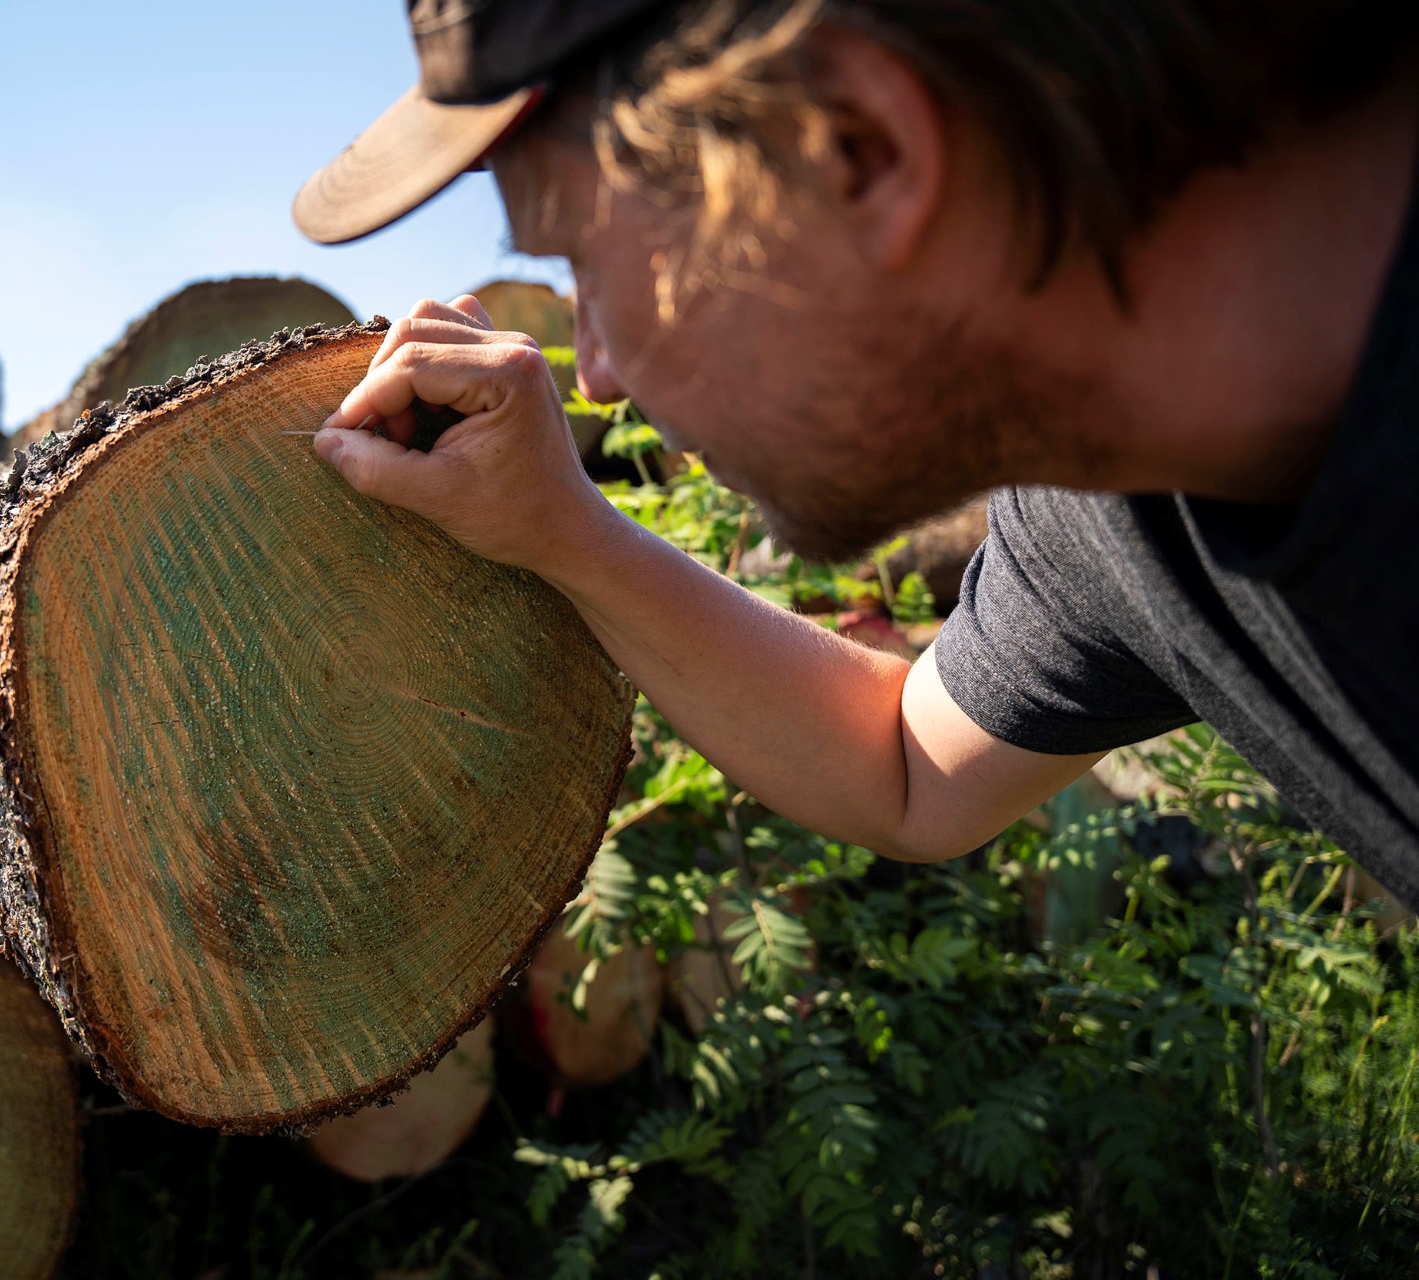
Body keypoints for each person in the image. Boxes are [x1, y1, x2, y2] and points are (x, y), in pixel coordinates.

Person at [290, 0, 1419, 904]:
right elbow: (908, 771)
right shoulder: (1105, 510)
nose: (595, 375)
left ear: (859, 149)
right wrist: (561, 524)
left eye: (587, 259)